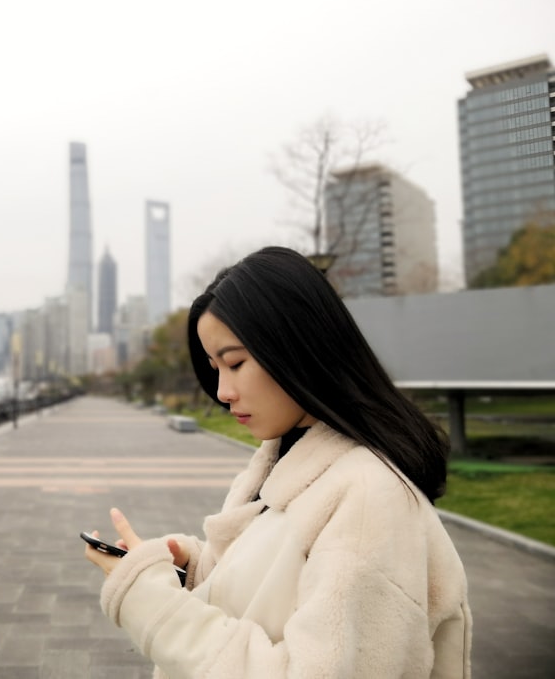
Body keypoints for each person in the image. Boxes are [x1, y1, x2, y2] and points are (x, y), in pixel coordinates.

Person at [84, 246, 471, 678]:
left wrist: (148, 599)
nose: (223, 390)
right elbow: (275, 589)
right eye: (214, 368)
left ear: (297, 347)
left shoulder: (368, 500)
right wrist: (189, 571)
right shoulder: (281, 463)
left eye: (235, 363)